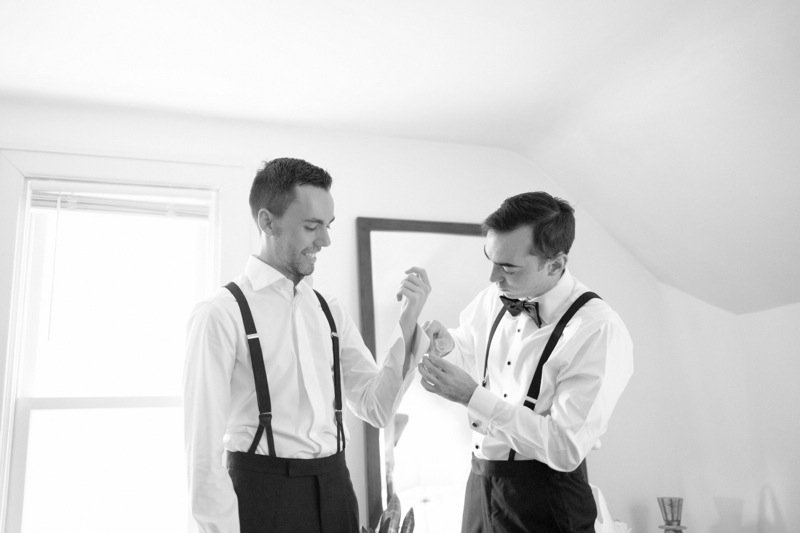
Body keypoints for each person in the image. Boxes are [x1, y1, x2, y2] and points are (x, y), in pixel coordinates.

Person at [183, 157, 431, 533]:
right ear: (267, 222)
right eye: (312, 226)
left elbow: (377, 409)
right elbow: (203, 459)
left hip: (335, 490)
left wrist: (408, 321)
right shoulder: (220, 314)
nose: (326, 240)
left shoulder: (329, 310)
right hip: (262, 496)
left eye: (327, 226)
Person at [419, 191, 633, 533]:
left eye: (507, 268)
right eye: (490, 259)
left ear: (555, 264)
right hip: (480, 483)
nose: (492, 278)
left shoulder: (598, 330)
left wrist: (472, 397)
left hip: (546, 500)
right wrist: (449, 346)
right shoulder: (496, 296)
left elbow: (564, 448)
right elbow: (473, 350)